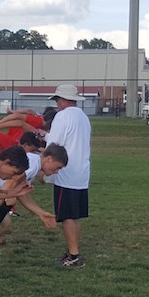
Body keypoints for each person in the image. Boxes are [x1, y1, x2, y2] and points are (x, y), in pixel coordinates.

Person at [45, 84, 91, 268]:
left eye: (57, 100)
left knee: (66, 216)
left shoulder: (62, 116)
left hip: (65, 172)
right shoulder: (84, 117)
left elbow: (55, 145)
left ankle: (74, 255)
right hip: (82, 172)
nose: (57, 104)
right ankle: (73, 250)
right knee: (75, 215)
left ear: (63, 100)